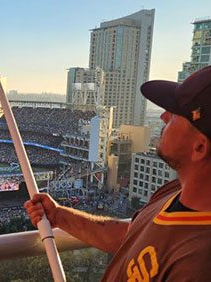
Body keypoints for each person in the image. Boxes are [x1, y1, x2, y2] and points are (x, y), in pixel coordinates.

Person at [25, 66, 211, 281]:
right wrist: (60, 216)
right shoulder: (174, 191)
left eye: (176, 113)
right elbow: (133, 238)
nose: (164, 116)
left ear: (199, 147)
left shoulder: (199, 263)